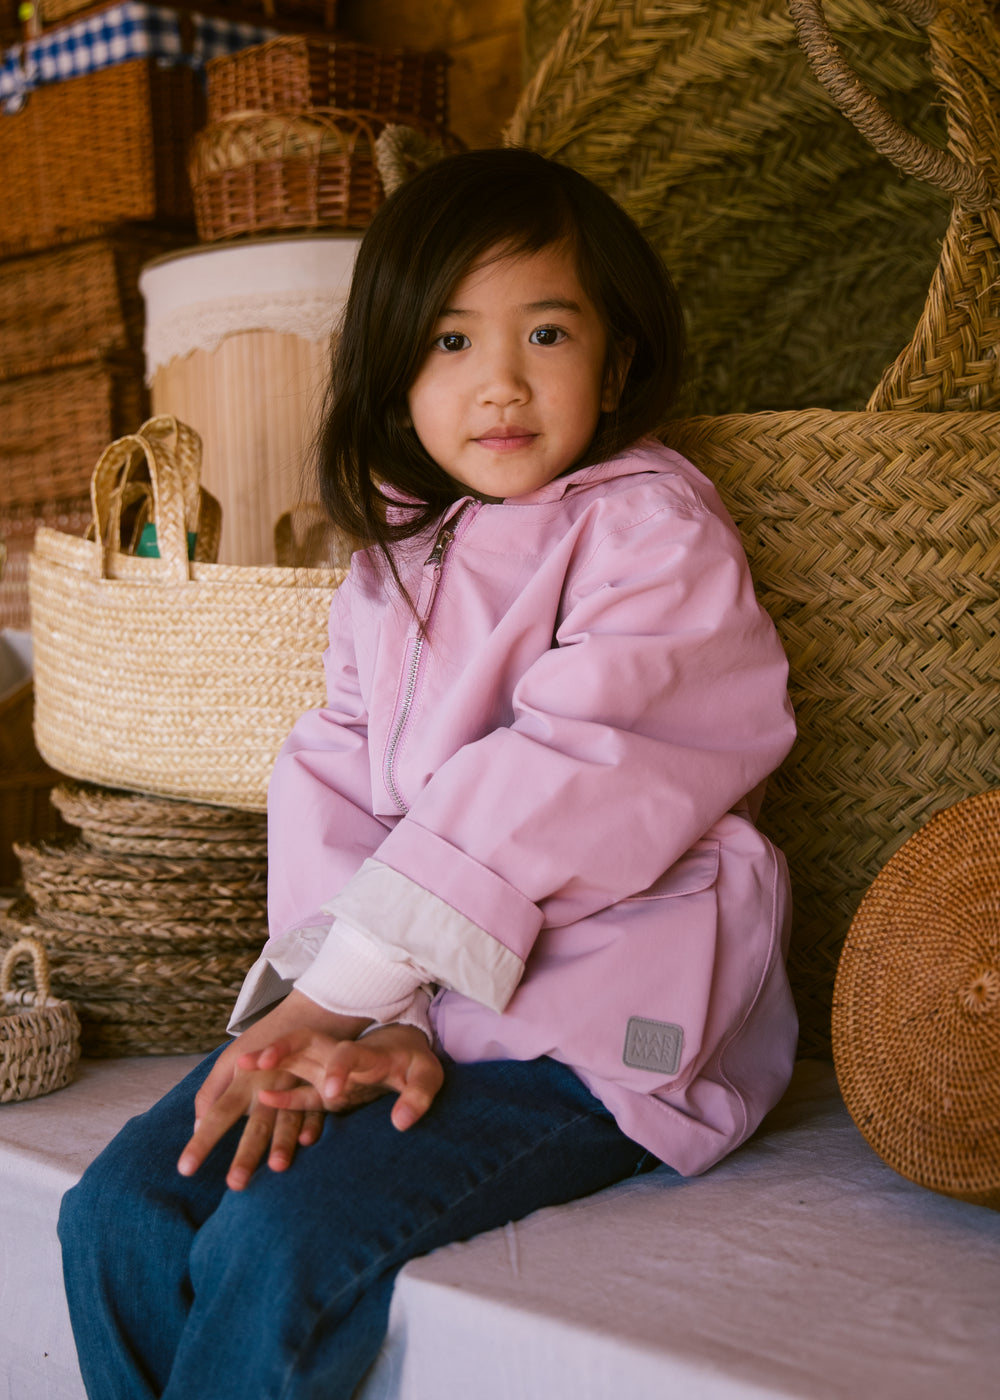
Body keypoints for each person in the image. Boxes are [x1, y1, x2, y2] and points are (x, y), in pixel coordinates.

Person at [58, 146, 798, 1400]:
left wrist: (342, 998)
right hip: (403, 1007)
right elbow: (336, 791)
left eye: (546, 330)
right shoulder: (396, 557)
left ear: (615, 358)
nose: (499, 381)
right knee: (118, 1213)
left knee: (276, 1241)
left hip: (584, 1033)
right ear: (395, 372)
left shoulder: (651, 533)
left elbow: (566, 774)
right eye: (450, 341)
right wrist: (364, 1022)